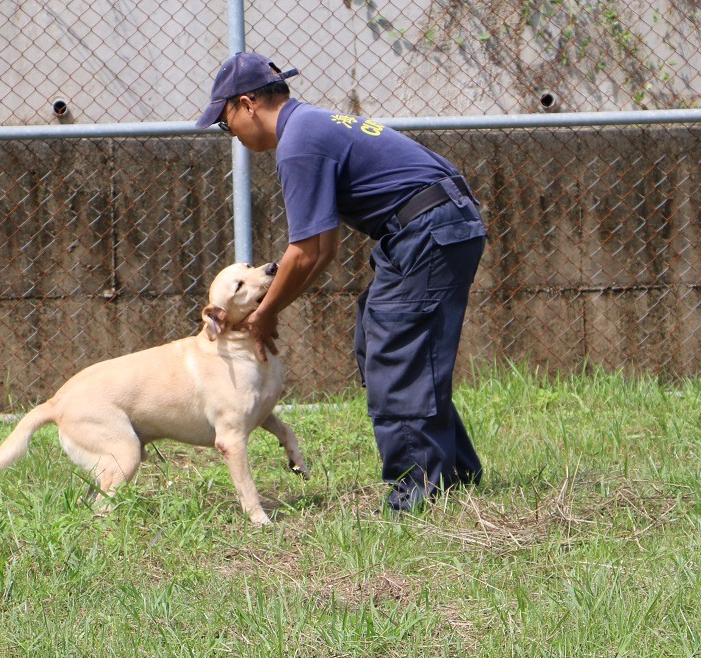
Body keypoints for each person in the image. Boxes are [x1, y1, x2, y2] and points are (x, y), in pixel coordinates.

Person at [196, 51, 487, 513]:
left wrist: (265, 314)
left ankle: (418, 493)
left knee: (396, 352)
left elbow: (306, 250)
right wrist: (271, 309)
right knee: (380, 343)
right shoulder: (311, 125)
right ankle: (454, 473)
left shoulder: (299, 142)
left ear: (247, 103)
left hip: (429, 228)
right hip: (429, 225)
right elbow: (322, 249)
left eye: (225, 122)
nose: (229, 133)